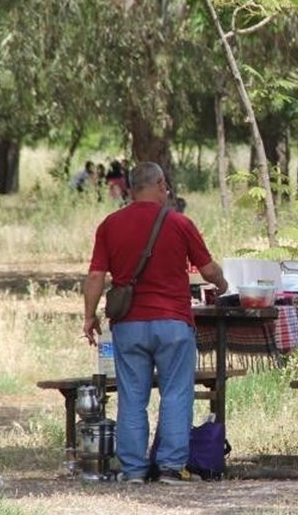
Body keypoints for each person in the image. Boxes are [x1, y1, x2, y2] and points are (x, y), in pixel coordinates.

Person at [82, 162, 228, 485]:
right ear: (161, 185)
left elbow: (95, 276)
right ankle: (169, 468)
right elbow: (208, 270)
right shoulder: (180, 223)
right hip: (173, 325)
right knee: (176, 393)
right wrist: (223, 285)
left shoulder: (110, 225)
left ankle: (133, 469)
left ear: (132, 189)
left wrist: (89, 316)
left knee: (132, 395)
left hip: (129, 325)